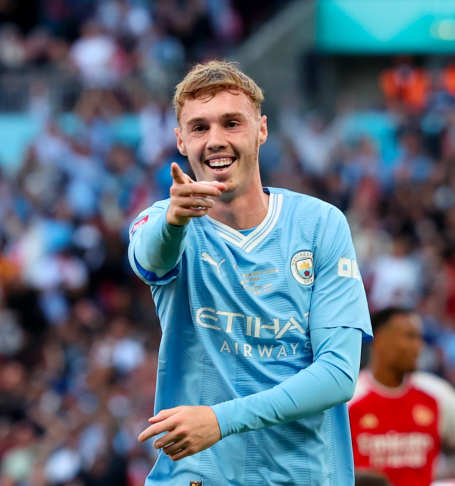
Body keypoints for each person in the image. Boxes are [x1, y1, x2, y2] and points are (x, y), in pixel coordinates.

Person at [128, 60, 373, 485]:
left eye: (231, 123)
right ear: (181, 141)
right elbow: (152, 257)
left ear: (261, 129)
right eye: (199, 127)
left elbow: (337, 373)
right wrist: (173, 222)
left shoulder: (320, 225)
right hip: (199, 477)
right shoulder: (166, 223)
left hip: (302, 475)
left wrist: (220, 420)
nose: (216, 140)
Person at [349, 307, 455, 486]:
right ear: (381, 340)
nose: (419, 346)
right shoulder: (349, 398)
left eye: (419, 337)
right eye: (410, 336)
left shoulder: (436, 394)